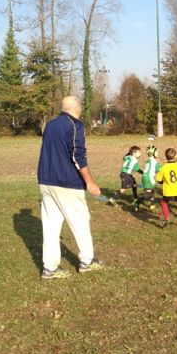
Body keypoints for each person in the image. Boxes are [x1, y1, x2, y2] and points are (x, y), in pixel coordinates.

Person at [37, 96, 103, 279]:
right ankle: (87, 262)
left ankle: (49, 268)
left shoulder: (49, 125)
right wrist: (89, 181)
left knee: (50, 227)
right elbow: (78, 155)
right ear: (77, 108)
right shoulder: (75, 125)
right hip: (67, 183)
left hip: (45, 181)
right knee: (80, 221)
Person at [135, 145, 162, 211]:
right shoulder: (154, 161)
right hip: (149, 178)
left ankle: (152, 205)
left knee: (153, 190)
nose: (158, 153)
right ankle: (137, 202)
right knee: (148, 193)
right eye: (156, 151)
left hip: (145, 177)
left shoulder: (148, 160)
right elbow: (159, 169)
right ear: (153, 153)